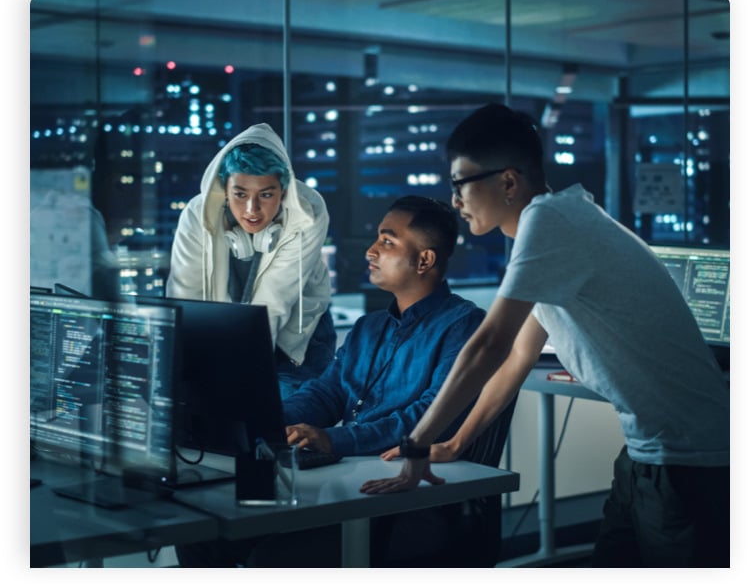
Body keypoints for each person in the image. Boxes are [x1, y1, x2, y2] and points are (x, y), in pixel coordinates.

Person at [361, 103, 730, 568]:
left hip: (691, 460)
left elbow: (488, 344)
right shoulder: (561, 221)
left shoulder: (550, 221)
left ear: (508, 182)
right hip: (647, 452)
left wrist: (417, 443)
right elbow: (516, 355)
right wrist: (454, 444)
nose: (455, 201)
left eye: (461, 183)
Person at [175, 195, 489, 567]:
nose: (371, 250)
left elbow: (430, 416)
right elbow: (326, 393)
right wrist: (265, 418)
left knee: (272, 559)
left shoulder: (463, 325)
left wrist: (333, 439)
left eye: (387, 242)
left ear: (425, 260)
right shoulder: (368, 327)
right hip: (354, 483)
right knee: (201, 533)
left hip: (412, 498)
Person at [166, 123, 335, 398]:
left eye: (266, 195)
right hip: (222, 334)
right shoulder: (197, 215)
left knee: (280, 425)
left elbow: (274, 302)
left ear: (283, 190)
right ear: (224, 188)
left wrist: (238, 378)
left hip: (297, 334)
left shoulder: (308, 211)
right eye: (240, 194)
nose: (251, 210)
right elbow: (187, 296)